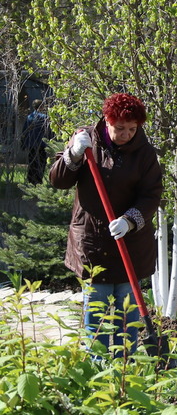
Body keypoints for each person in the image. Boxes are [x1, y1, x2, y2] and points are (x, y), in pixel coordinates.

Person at [49, 93, 164, 354]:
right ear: (107, 121)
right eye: (120, 128)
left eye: (133, 129)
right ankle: (97, 369)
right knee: (96, 319)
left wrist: (130, 220)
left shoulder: (144, 153)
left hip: (130, 246)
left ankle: (128, 366)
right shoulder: (86, 140)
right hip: (93, 243)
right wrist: (74, 155)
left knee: (128, 320)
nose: (126, 134)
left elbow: (151, 195)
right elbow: (58, 181)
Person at [20, 99, 51, 184]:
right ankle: (38, 181)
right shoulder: (44, 118)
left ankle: (31, 181)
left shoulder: (29, 117)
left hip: (31, 145)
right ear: (41, 107)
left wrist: (23, 144)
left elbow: (24, 132)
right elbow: (48, 132)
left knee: (32, 164)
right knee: (41, 164)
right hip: (41, 144)